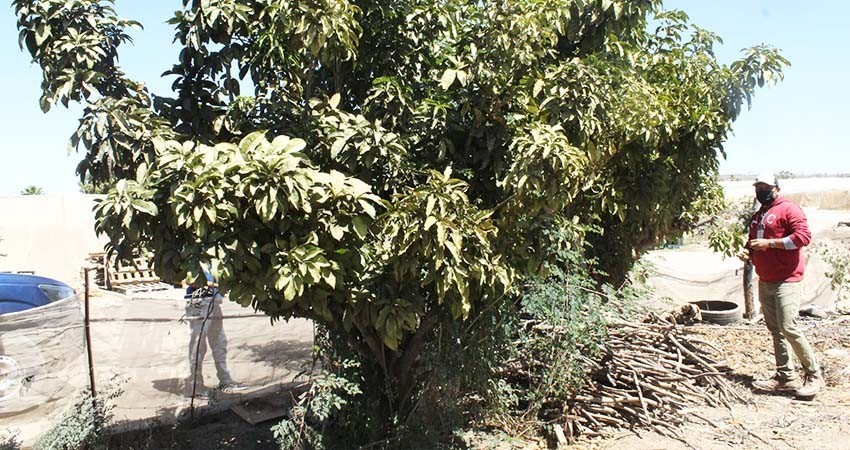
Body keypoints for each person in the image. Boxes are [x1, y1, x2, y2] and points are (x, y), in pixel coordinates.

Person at [747, 173, 823, 398]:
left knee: (788, 326)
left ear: (777, 189)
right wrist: (749, 252)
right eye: (759, 187)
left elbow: (803, 237)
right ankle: (785, 377)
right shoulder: (758, 215)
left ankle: (814, 374)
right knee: (775, 329)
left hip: (787, 279)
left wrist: (770, 243)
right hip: (766, 279)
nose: (762, 191)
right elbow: (754, 243)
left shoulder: (789, 209)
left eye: (766, 187)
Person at [184, 265, 245, 395]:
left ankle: (225, 381)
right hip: (198, 301)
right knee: (198, 345)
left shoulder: (215, 252)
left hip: (214, 301)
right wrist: (213, 285)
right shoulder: (193, 253)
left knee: (219, 342)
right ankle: (195, 387)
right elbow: (188, 280)